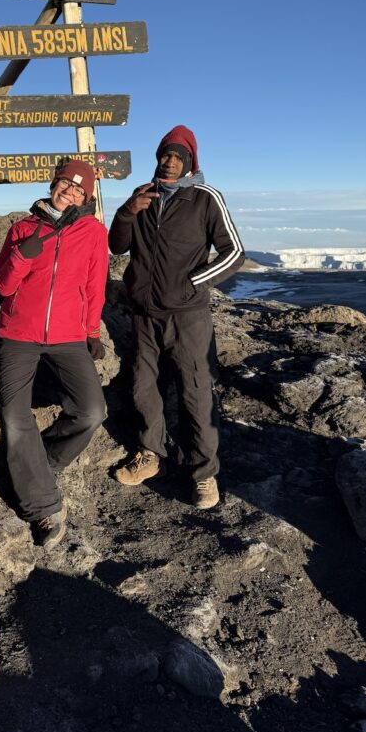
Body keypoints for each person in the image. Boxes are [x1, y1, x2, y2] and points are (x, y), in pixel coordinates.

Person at [109, 125, 244, 508]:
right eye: (165, 154)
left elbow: (234, 252)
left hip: (187, 316)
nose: (169, 161)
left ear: (189, 161)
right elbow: (117, 246)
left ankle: (204, 474)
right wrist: (127, 212)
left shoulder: (204, 198)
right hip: (144, 314)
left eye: (177, 156)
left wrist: (193, 284)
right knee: (143, 386)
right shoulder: (142, 195)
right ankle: (150, 454)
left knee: (195, 391)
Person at [0, 159, 109, 549]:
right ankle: (42, 505)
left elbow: (95, 285)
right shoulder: (23, 228)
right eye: (64, 184)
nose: (69, 192)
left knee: (92, 412)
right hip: (18, 334)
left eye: (78, 189)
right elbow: (2, 287)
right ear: (53, 184)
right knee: (14, 416)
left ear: (86, 197)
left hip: (68, 336)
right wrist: (22, 256)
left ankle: (38, 466)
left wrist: (92, 332)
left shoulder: (93, 232)